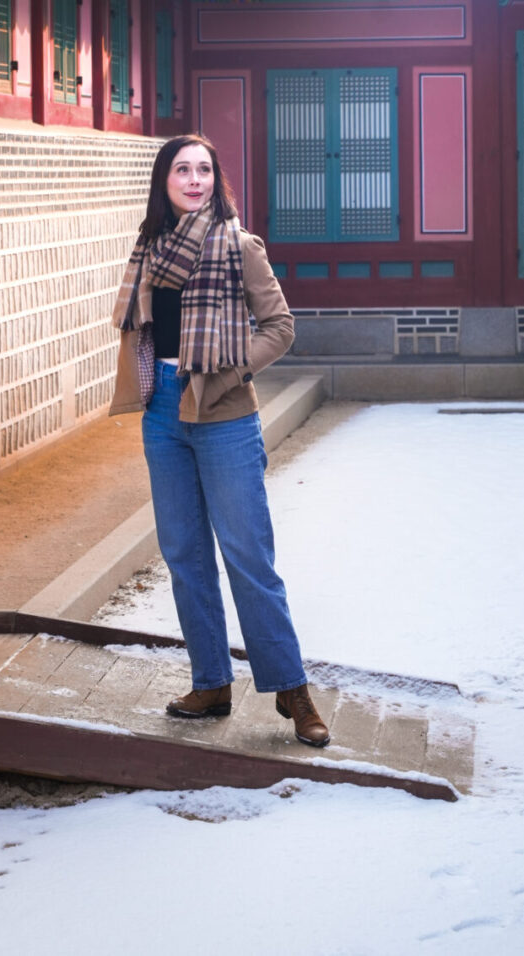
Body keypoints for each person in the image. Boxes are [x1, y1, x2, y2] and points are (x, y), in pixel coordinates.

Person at [109, 133, 329, 748]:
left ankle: (291, 687)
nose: (195, 179)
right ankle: (210, 682)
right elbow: (142, 333)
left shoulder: (239, 245)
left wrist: (232, 369)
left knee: (247, 556)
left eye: (205, 169)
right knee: (184, 555)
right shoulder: (148, 249)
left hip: (226, 415)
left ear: (217, 180)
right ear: (165, 180)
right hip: (163, 415)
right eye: (183, 169)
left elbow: (280, 325)